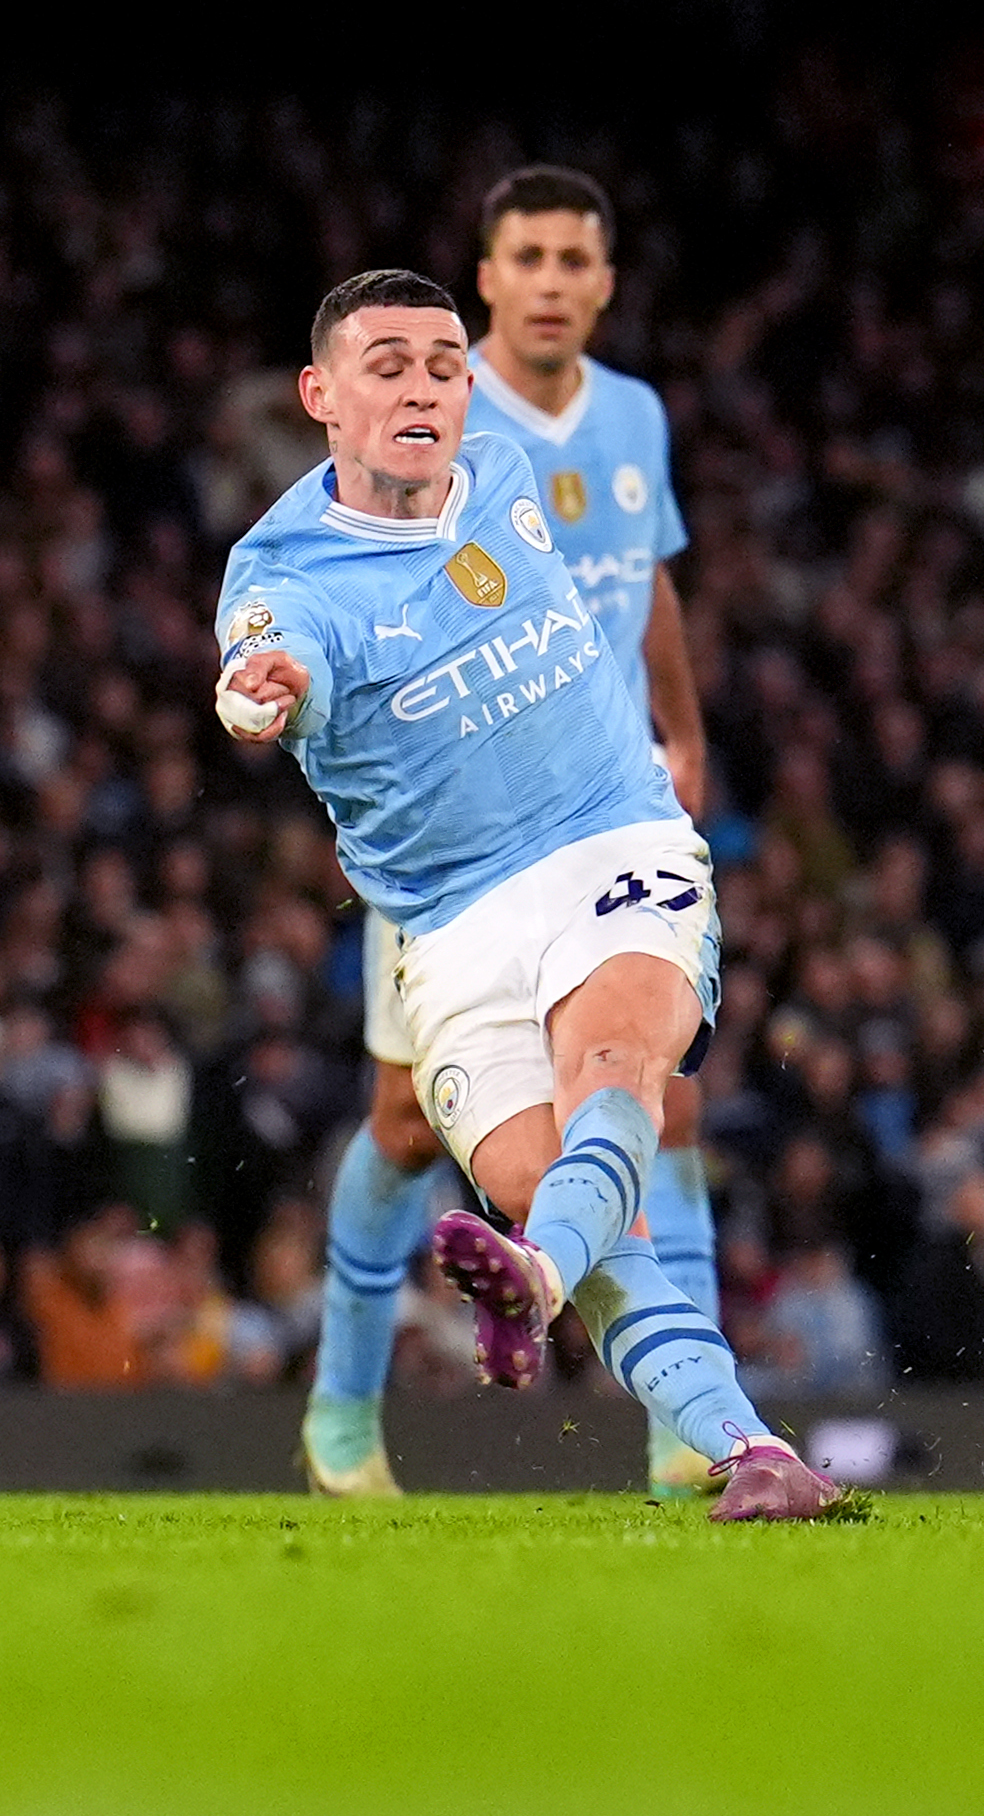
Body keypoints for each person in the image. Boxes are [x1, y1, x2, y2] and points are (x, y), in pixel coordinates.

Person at [215, 267, 844, 1522]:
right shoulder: (283, 575)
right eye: (386, 365)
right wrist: (255, 691)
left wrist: (673, 724)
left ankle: (559, 1303)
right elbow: (254, 666)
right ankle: (745, 1442)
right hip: (445, 928)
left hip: (610, 847)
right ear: (319, 396)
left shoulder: (502, 473)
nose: (423, 388)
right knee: (547, 1183)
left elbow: (639, 580)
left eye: (445, 366)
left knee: (620, 1075)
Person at [300, 169, 722, 1500]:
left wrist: (682, 722)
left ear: (604, 282)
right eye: (525, 256)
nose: (549, 280)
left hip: (602, 820)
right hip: (460, 839)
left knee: (664, 1102)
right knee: (405, 1128)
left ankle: (683, 1430)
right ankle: (343, 1415)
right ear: (486, 276)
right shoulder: (437, 420)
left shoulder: (637, 416)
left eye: (572, 259)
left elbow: (643, 571)